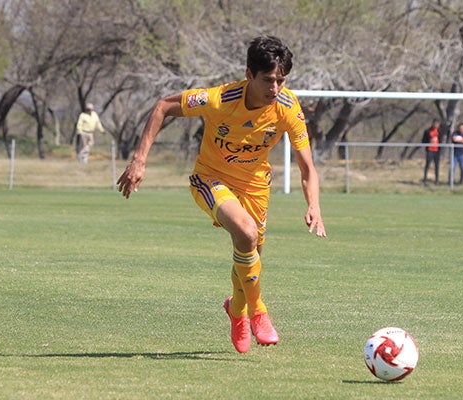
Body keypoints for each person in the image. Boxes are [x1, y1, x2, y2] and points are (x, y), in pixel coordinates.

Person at [116, 36, 326, 354]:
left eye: (281, 81)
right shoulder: (219, 99)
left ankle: (236, 310)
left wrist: (314, 206)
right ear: (249, 74)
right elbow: (163, 107)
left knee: (249, 252)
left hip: (255, 187)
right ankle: (258, 311)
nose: (275, 89)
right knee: (246, 233)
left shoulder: (287, 108)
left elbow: (307, 167)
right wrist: (139, 159)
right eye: (268, 80)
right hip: (210, 179)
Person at [421, 119, 441, 185]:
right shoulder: (427, 131)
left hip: (437, 151)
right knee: (427, 165)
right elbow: (423, 141)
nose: (436, 125)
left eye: (437, 124)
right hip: (430, 150)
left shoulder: (439, 131)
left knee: (437, 166)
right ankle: (425, 179)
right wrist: (429, 142)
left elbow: (442, 140)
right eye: (434, 124)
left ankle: (437, 180)